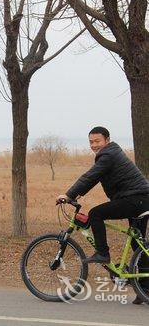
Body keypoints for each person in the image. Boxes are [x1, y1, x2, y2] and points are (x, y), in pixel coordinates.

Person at [56, 126, 149, 304]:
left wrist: (68, 195)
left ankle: (102, 253)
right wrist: (77, 195)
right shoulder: (111, 154)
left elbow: (90, 177)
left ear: (107, 140)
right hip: (141, 199)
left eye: (97, 141)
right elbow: (94, 179)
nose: (94, 145)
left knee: (95, 214)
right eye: (91, 142)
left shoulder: (108, 155)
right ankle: (144, 290)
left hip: (136, 199)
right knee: (139, 245)